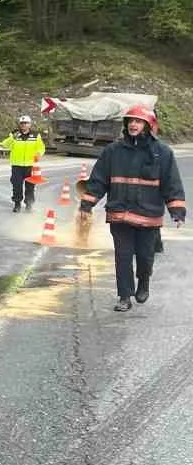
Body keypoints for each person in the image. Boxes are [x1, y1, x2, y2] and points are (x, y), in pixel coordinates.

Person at [78, 105, 184, 312]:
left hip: (148, 216)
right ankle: (124, 296)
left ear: (148, 125)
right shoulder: (112, 151)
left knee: (145, 256)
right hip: (119, 213)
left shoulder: (162, 153)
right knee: (123, 256)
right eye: (130, 121)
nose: (133, 124)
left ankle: (143, 281)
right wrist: (87, 205)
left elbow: (172, 183)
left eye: (138, 121)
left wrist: (177, 210)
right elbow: (98, 180)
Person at [1, 114, 46, 213]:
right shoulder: (14, 134)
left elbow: (41, 147)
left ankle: (29, 205)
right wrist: (12, 138)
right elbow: (4, 144)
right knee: (17, 186)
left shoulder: (35, 135)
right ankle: (17, 204)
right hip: (17, 165)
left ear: (30, 124)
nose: (24, 125)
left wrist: (39, 154)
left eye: (26, 123)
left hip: (30, 166)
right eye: (22, 123)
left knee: (30, 187)